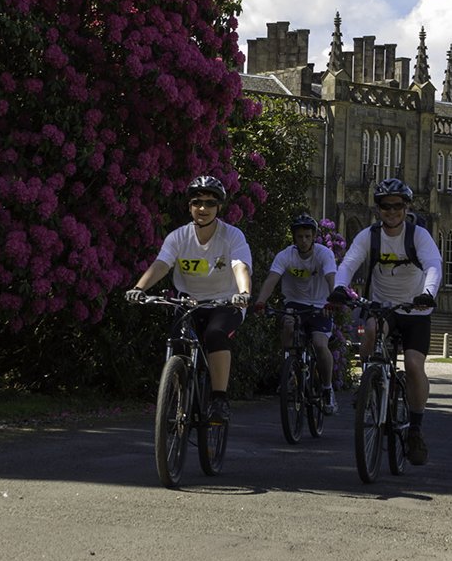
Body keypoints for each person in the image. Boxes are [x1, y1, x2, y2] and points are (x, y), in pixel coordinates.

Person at [327, 178, 442, 465]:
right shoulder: (370, 235)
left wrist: (428, 293)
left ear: (406, 207)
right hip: (384, 306)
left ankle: (415, 428)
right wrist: (341, 286)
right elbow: (350, 262)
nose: (391, 212)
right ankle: (368, 383)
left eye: (397, 206)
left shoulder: (418, 236)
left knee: (414, 366)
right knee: (372, 330)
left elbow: (433, 265)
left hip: (416, 309)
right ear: (377, 208)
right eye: (385, 206)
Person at [127, 176, 253, 425]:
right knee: (178, 340)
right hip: (189, 302)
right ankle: (178, 399)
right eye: (197, 203)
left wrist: (244, 293)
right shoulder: (178, 237)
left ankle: (219, 399)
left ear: (219, 207)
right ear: (189, 206)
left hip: (225, 302)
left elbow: (240, 266)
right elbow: (162, 265)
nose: (203, 209)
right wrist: (138, 288)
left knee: (216, 335)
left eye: (209, 203)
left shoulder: (232, 236)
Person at [253, 214, 339, 414]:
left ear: (314, 236)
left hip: (320, 305)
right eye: (299, 237)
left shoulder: (323, 254)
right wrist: (260, 302)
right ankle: (290, 369)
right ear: (294, 237)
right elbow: (272, 279)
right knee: (289, 325)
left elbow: (331, 278)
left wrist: (333, 301)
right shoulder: (285, 255)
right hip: (294, 303)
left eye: (308, 236)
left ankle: (327, 388)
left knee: (319, 344)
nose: (304, 241)